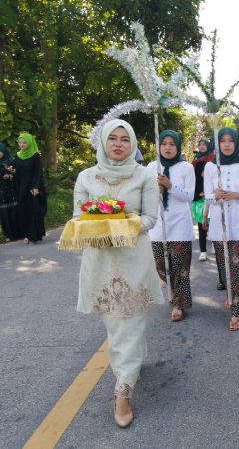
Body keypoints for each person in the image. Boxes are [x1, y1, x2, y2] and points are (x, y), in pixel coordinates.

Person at [73, 119, 163, 427]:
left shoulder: (145, 176)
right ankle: (133, 362)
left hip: (133, 259)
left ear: (133, 144)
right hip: (100, 260)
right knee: (115, 325)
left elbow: (152, 218)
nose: (119, 144)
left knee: (131, 322)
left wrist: (129, 219)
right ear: (102, 142)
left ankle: (123, 390)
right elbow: (77, 217)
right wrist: (99, 217)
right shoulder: (86, 176)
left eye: (125, 139)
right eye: (113, 138)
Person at [205, 127, 239, 331]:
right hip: (219, 225)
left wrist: (237, 195)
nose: (226, 144)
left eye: (230, 141)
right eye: (222, 141)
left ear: (236, 143)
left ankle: (237, 311)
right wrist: (215, 196)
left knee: (237, 269)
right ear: (217, 144)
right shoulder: (210, 167)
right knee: (225, 268)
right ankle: (231, 296)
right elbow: (207, 196)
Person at [148, 130, 195, 322]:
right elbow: (145, 194)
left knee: (180, 268)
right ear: (159, 147)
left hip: (179, 223)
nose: (167, 147)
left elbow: (189, 196)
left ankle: (178, 305)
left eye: (172, 144)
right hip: (158, 224)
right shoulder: (151, 167)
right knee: (161, 266)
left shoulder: (186, 168)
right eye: (164, 144)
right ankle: (174, 291)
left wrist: (170, 186)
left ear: (178, 147)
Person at [14, 133, 46, 243]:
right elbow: (17, 170)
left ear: (30, 142)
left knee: (33, 210)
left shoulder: (35, 155)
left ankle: (34, 235)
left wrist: (36, 187)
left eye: (24, 142)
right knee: (23, 209)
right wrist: (13, 171)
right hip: (21, 187)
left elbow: (38, 172)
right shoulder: (18, 155)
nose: (22, 144)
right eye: (20, 142)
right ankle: (27, 234)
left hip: (32, 186)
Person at [191, 139, 214, 261]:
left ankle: (215, 245)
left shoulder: (214, 159)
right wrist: (198, 193)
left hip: (213, 196)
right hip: (200, 196)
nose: (202, 146)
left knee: (214, 224)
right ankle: (203, 251)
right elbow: (193, 180)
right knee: (202, 225)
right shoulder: (195, 162)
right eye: (199, 145)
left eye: (204, 144)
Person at [0, 143, 19, 241]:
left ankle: (17, 233)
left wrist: (11, 175)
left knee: (14, 210)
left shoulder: (11, 161)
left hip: (11, 189)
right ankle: (7, 234)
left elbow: (18, 174)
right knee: (4, 212)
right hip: (1, 191)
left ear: (4, 150)